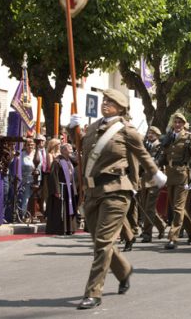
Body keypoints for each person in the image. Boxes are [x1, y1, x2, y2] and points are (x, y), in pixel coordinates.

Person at [69, 89, 166, 310]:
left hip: (116, 190)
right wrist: (71, 127)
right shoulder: (93, 128)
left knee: (103, 243)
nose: (105, 104)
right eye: (104, 100)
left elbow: (143, 154)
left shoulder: (127, 130)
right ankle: (124, 271)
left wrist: (155, 173)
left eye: (111, 102)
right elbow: (82, 147)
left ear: (121, 108)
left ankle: (93, 292)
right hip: (93, 191)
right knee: (100, 242)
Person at [158, 113, 191, 250]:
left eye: (180, 122)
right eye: (175, 122)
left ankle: (173, 237)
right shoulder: (169, 137)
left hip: (182, 174)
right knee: (177, 208)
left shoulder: (189, 138)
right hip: (170, 174)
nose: (177, 125)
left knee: (177, 208)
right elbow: (164, 155)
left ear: (184, 124)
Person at [45, 141, 78, 235]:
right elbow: (53, 176)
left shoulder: (70, 160)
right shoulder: (57, 161)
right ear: (63, 150)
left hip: (69, 188)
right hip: (61, 188)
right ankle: (59, 229)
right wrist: (56, 190)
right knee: (60, 210)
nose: (71, 148)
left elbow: (78, 162)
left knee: (69, 208)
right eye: (68, 147)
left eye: (71, 147)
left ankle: (69, 228)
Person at [139, 127, 166, 243]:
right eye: (149, 132)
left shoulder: (159, 147)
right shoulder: (145, 146)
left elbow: (158, 162)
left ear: (158, 135)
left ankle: (147, 233)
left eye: (153, 133)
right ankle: (161, 225)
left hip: (154, 180)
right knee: (146, 208)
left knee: (149, 208)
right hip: (145, 180)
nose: (150, 135)